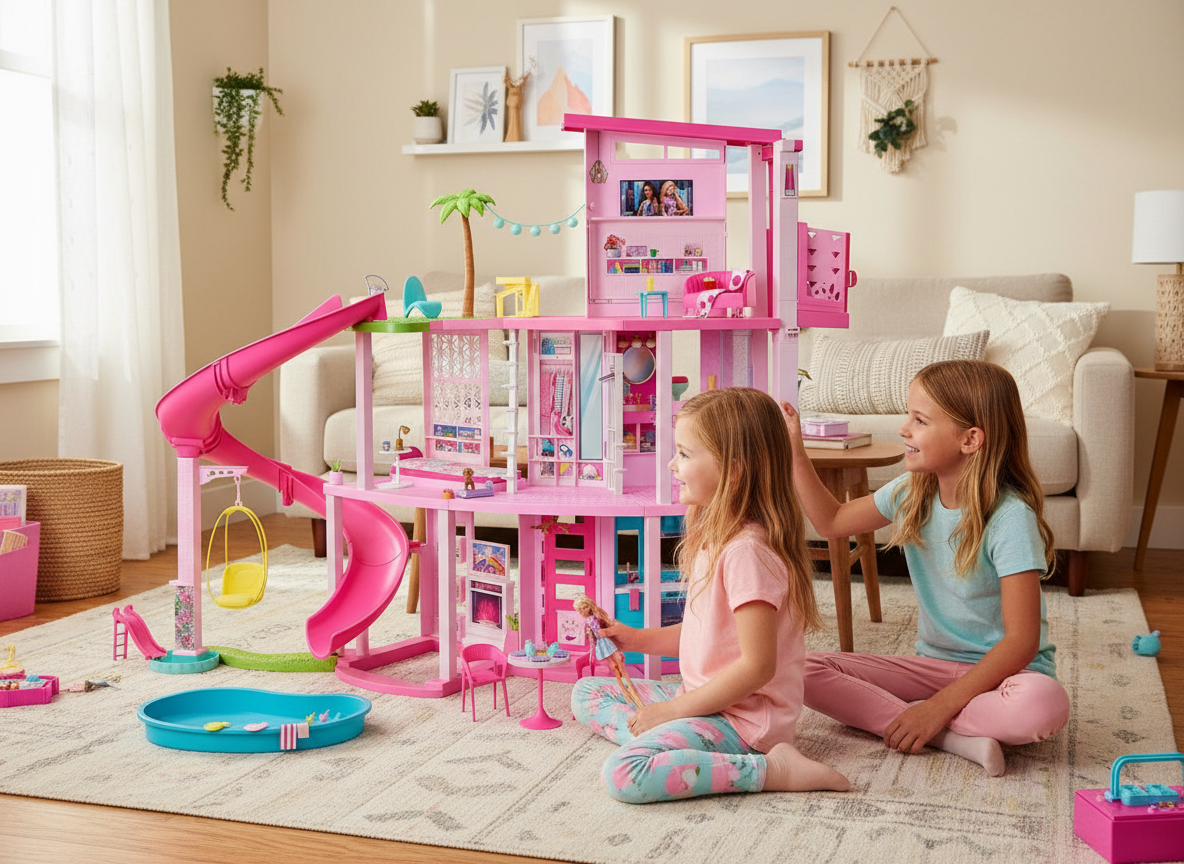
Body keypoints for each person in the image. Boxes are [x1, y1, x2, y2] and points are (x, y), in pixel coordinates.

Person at [781, 359, 1070, 777]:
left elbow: (1022, 642)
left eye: (919, 420)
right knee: (801, 669)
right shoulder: (912, 491)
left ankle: (916, 719)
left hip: (1008, 675)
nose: (903, 429)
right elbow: (832, 522)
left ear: (970, 439)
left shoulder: (1010, 518)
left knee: (1044, 705)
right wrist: (795, 452)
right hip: (934, 667)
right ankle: (946, 735)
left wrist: (938, 706)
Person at [571, 388, 850, 803]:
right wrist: (630, 637)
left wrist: (669, 712)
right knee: (586, 693)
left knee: (626, 773)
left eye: (684, 454)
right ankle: (670, 742)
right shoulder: (717, 537)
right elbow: (706, 632)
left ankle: (771, 769)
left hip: (744, 722)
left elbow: (757, 666)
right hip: (702, 699)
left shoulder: (747, 552)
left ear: (733, 471)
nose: (672, 464)